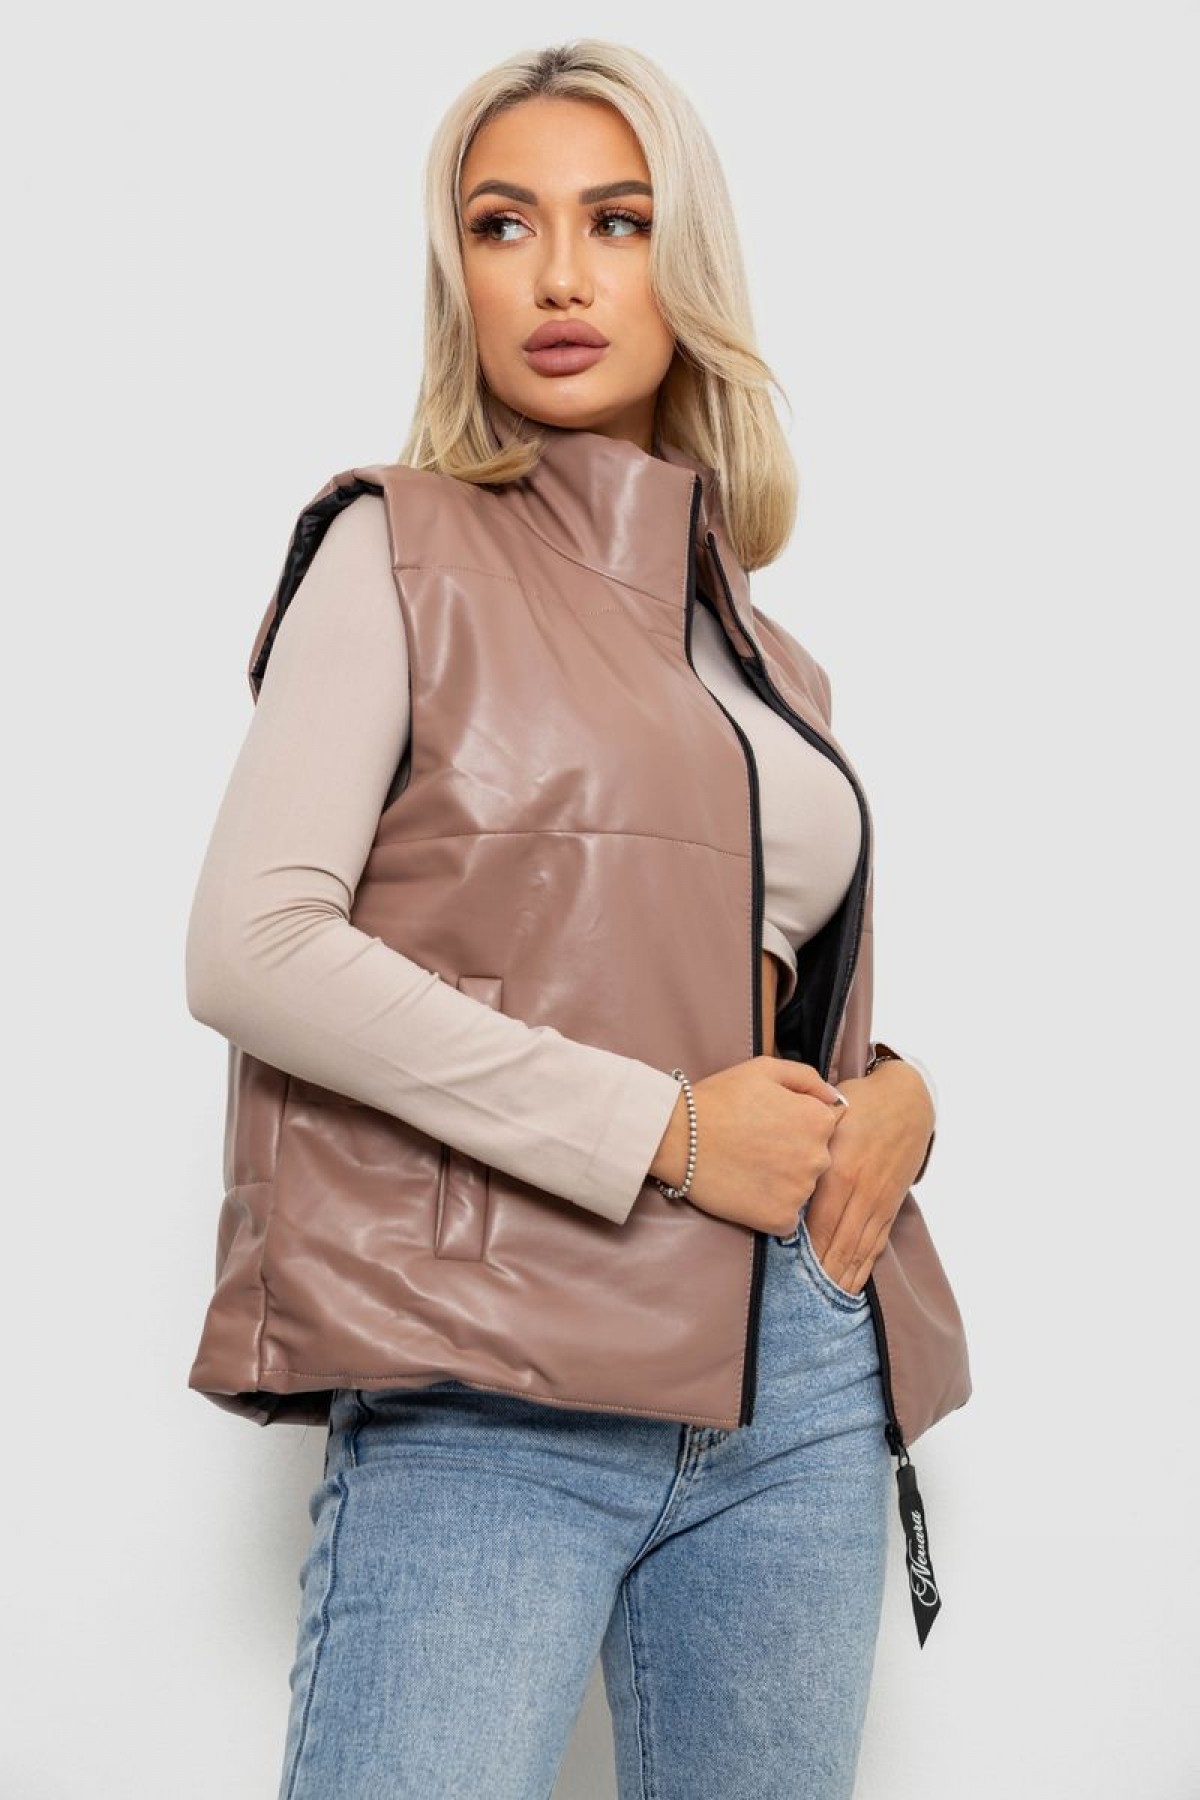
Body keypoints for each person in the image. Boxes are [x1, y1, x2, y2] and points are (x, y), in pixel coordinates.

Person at [184, 37, 971, 1800]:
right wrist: (667, 1134)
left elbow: (732, 979)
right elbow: (254, 945)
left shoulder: (771, 659)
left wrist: (893, 1099)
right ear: (454, 272)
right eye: (502, 223)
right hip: (496, 1378)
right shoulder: (396, 550)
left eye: (616, 221)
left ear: (686, 266)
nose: (557, 275)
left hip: (797, 1373)